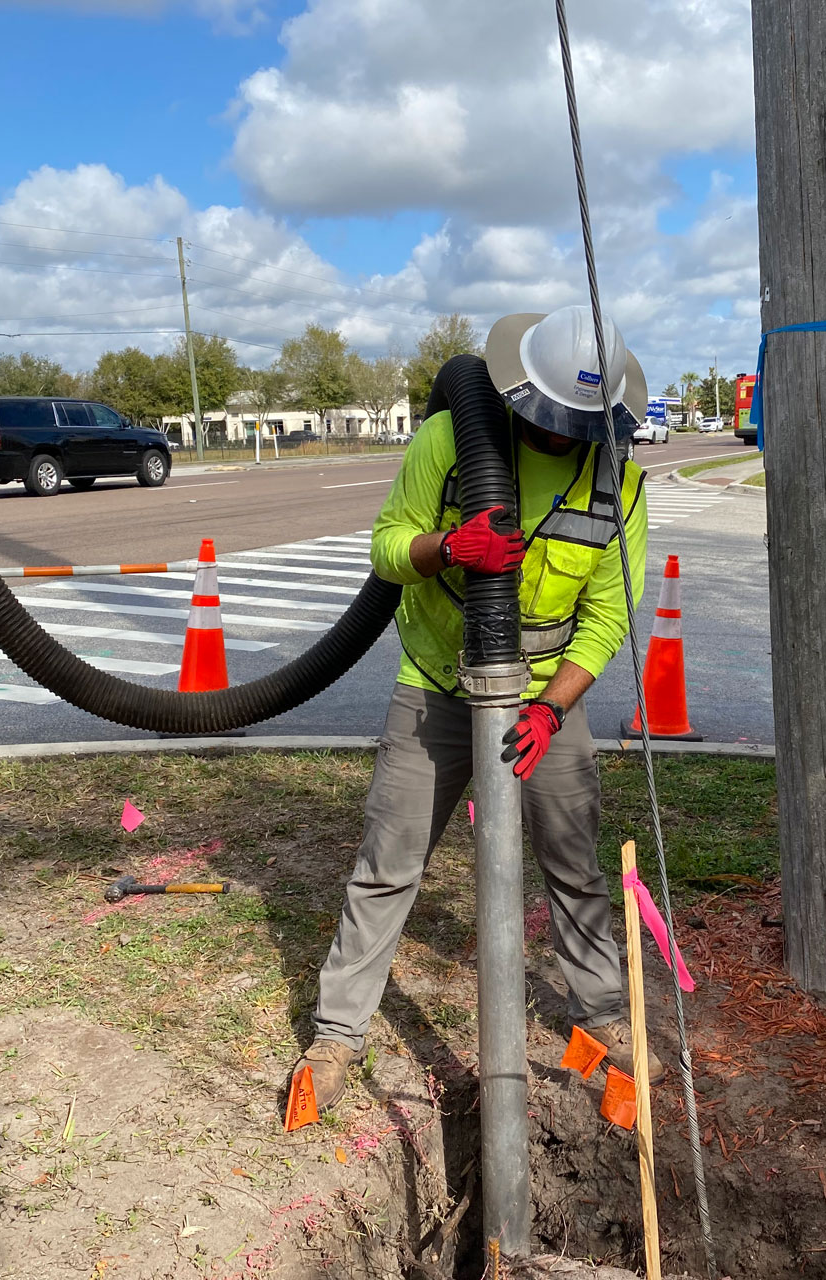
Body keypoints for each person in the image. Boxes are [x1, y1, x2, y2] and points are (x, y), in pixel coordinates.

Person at [293, 305, 659, 1111]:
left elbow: (605, 621)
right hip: (437, 686)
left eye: (582, 426)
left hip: (543, 702)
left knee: (574, 865)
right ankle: (337, 1035)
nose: (564, 439)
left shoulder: (618, 477)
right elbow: (389, 546)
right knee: (387, 867)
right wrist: (448, 548)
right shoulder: (449, 442)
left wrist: (552, 708)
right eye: (554, 422)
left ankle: (602, 1021)